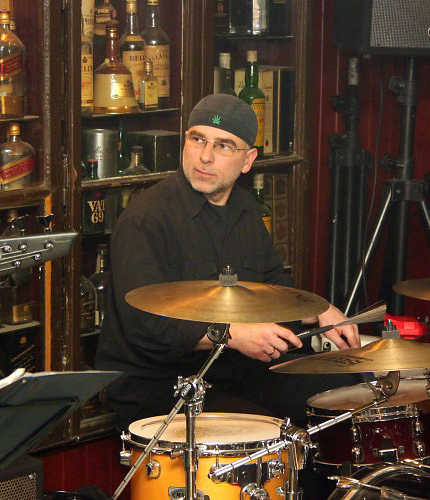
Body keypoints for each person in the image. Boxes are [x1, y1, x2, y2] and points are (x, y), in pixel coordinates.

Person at [95, 94, 360, 431]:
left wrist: (318, 310)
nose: (205, 156)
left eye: (223, 146)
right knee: (263, 431)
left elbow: (272, 287)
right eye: (197, 139)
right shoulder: (145, 219)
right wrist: (232, 335)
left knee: (347, 386)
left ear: (247, 160)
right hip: (160, 386)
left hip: (233, 371)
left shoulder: (246, 210)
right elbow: (146, 328)